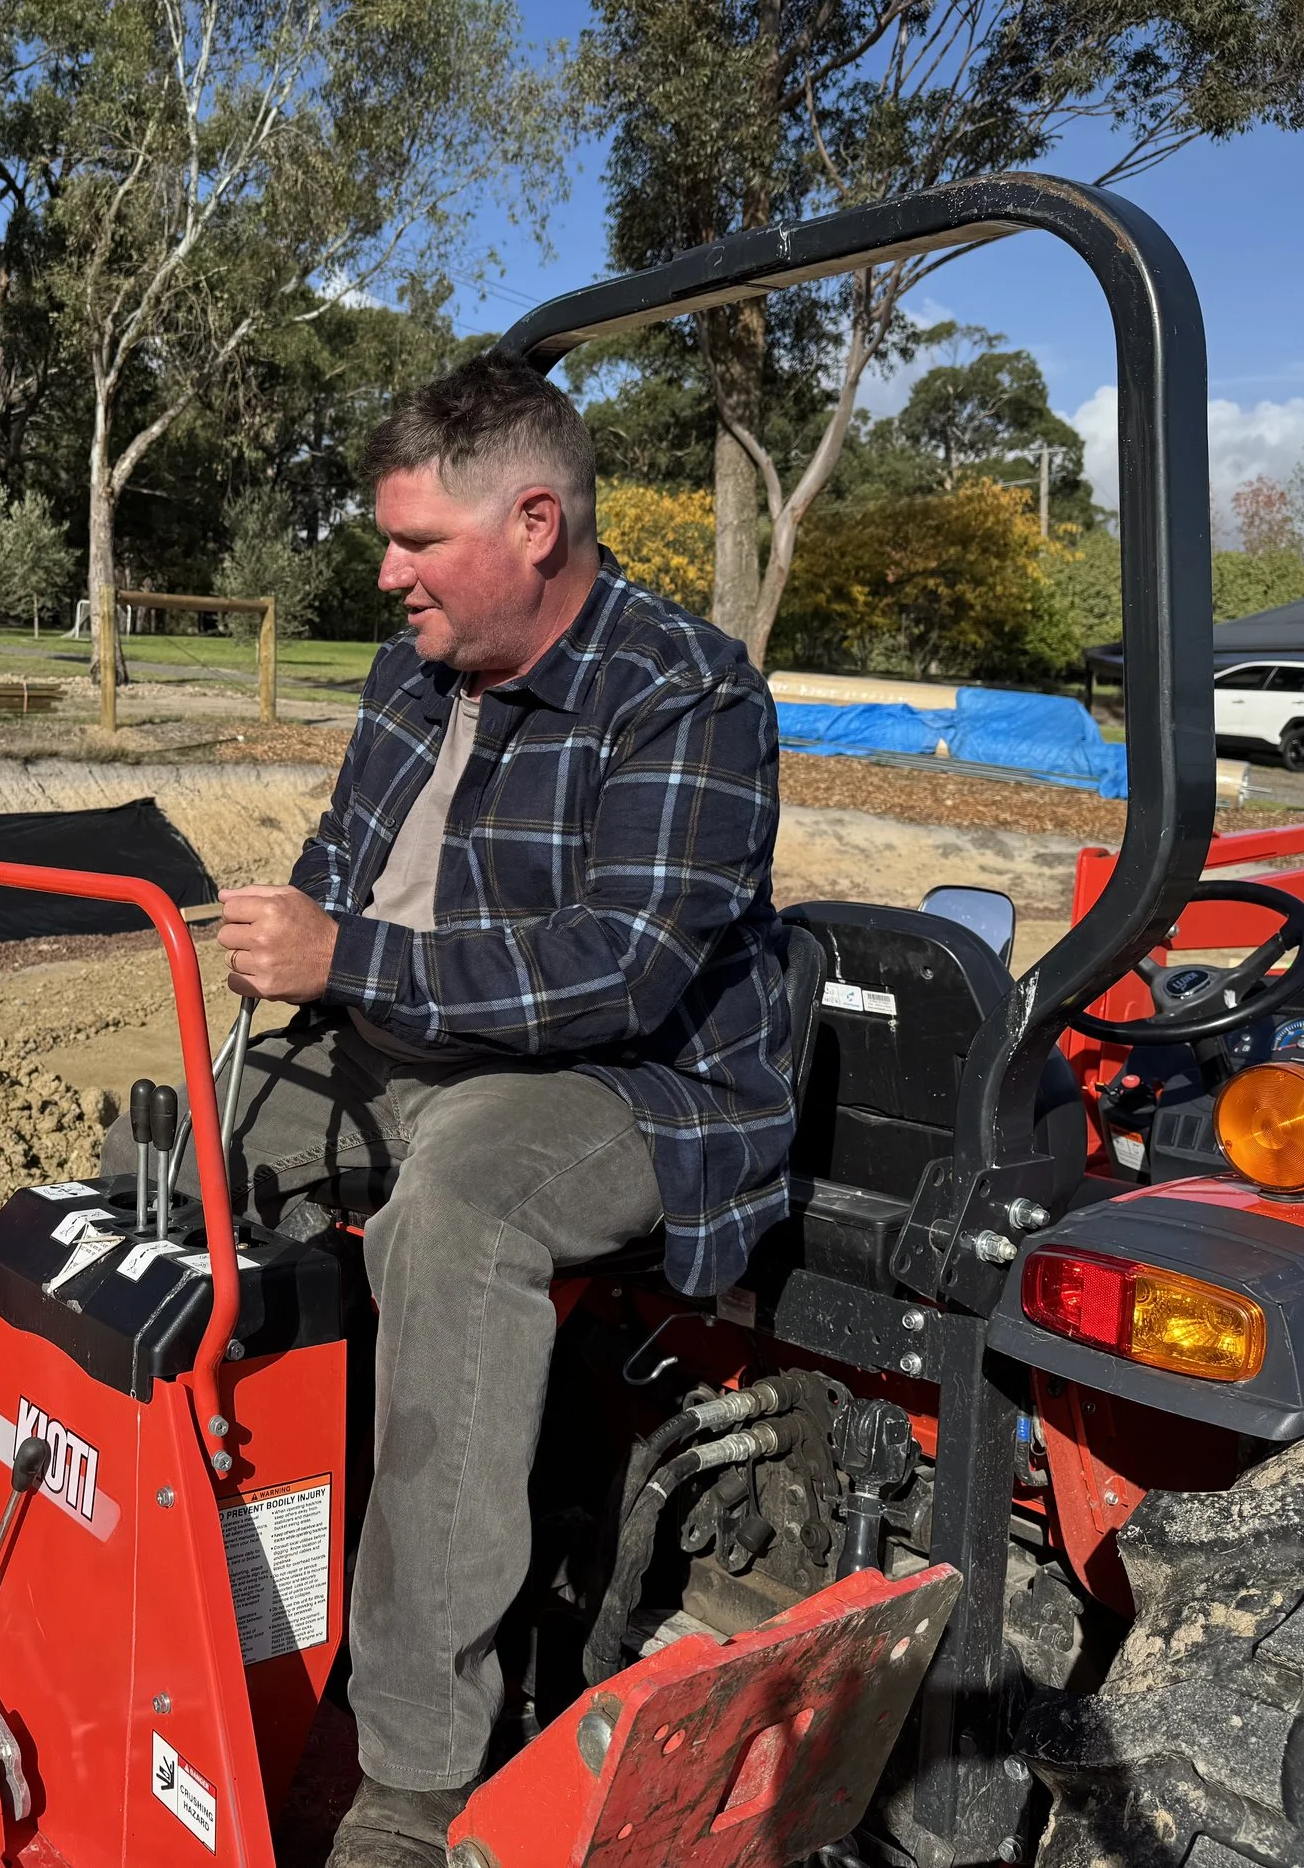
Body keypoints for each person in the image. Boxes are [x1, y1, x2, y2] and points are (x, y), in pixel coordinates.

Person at [137, 350, 793, 1866]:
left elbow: (622, 969)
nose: (388, 572)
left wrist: (347, 955)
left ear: (537, 524)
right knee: (166, 1164)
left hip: (621, 1080)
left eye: (418, 542)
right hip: (409, 1033)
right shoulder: (412, 671)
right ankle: (167, 1578)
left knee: (456, 1207)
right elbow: (345, 853)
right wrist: (291, 929)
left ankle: (420, 1767)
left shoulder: (687, 692)